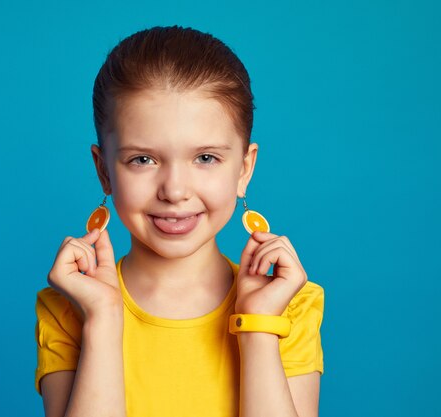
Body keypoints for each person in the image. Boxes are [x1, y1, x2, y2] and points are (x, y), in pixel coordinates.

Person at [34, 25, 325, 417]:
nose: (174, 190)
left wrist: (258, 328)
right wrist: (102, 320)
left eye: (205, 158)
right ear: (104, 171)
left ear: (244, 168)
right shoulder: (70, 308)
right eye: (143, 159)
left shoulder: (289, 305)